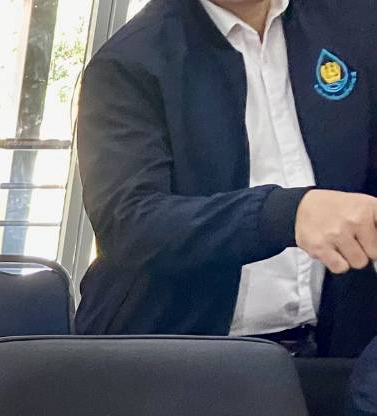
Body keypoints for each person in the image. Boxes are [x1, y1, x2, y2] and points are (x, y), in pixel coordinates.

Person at [75, 0, 377, 357]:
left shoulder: (354, 23)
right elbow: (130, 222)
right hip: (180, 357)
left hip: (338, 356)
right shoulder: (131, 61)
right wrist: (288, 214)